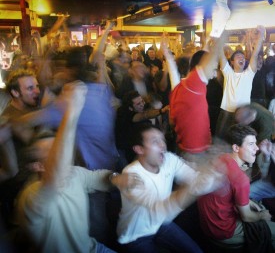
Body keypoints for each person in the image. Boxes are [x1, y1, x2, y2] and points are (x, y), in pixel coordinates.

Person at [16, 81, 141, 253]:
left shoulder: (74, 173)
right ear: (37, 166)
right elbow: (54, 177)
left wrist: (115, 178)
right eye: (53, 152)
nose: (64, 154)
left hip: (93, 248)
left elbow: (98, 177)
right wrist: (72, 110)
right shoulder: (31, 197)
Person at [116, 124, 223, 253]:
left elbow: (195, 179)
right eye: (155, 141)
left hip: (160, 224)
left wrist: (213, 172)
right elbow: (160, 208)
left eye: (163, 139)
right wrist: (192, 190)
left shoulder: (169, 160)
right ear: (139, 149)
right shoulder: (131, 175)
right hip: (135, 235)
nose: (163, 145)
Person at [197, 124, 275, 249]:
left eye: (255, 143)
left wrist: (248, 201)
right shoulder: (241, 179)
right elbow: (247, 217)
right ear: (236, 147)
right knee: (269, 226)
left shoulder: (220, 158)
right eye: (251, 144)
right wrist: (262, 215)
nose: (256, 148)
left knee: (254, 204)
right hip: (222, 231)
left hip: (206, 223)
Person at [169, 37, 222, 155]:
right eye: (213, 69)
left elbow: (172, 121)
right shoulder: (194, 86)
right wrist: (225, 31)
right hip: (194, 151)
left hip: (184, 146)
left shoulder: (183, 85)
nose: (214, 75)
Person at [215, 26, 266, 140]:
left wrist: (260, 36)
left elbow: (255, 53)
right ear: (232, 62)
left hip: (243, 115)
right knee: (221, 140)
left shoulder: (248, 74)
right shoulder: (228, 72)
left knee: (240, 142)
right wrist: (219, 36)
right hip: (226, 113)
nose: (241, 58)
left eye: (243, 57)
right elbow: (220, 54)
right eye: (238, 56)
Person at [115, 90, 169, 166]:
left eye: (142, 101)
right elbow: (143, 115)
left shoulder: (142, 108)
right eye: (138, 104)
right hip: (126, 151)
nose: (142, 104)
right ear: (130, 108)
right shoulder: (125, 114)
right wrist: (162, 110)